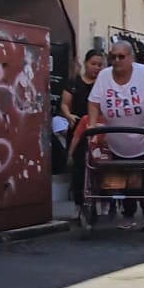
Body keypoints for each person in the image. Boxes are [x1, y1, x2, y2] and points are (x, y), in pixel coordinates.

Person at [87, 41, 144, 230]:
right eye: (113, 57)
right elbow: (93, 102)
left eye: (121, 57)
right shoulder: (104, 76)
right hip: (117, 140)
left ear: (131, 58)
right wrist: (92, 126)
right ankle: (128, 213)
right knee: (122, 180)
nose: (116, 61)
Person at [63, 50, 105, 207]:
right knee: (79, 168)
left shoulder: (103, 84)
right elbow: (64, 104)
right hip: (78, 128)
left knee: (101, 166)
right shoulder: (74, 83)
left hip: (99, 129)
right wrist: (68, 115)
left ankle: (101, 201)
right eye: (93, 64)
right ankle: (80, 204)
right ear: (86, 63)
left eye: (100, 65)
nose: (96, 68)